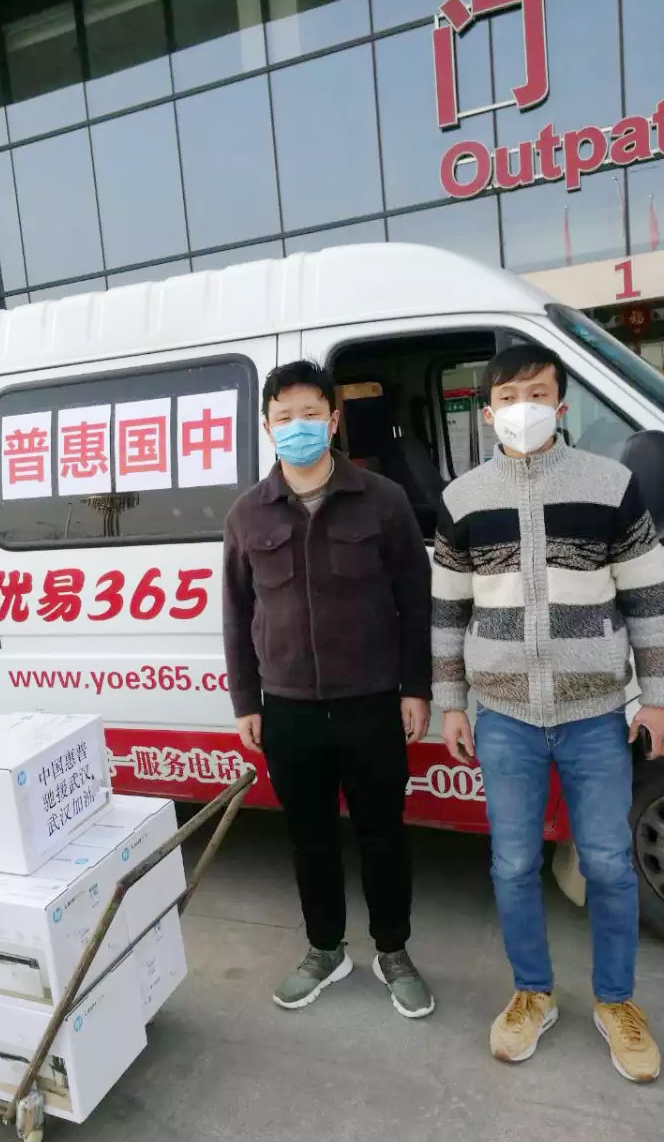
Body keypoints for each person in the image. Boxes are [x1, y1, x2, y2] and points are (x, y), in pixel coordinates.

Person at [432, 343, 664, 1082]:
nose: (522, 408)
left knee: (609, 863)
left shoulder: (611, 485)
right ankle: (532, 992)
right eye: (508, 396)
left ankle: (616, 1001)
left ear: (561, 405)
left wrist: (658, 697)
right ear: (488, 410)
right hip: (503, 716)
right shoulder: (463, 498)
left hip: (595, 714)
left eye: (537, 394)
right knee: (512, 863)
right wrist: (451, 703)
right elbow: (447, 611)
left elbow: (648, 600)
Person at [222, 359, 434, 1017]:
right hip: (288, 708)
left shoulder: (382, 500)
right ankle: (325, 949)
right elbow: (236, 611)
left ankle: (393, 950)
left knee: (382, 834)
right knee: (308, 836)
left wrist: (416, 687)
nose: (298, 426)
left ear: (333, 420)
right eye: (284, 417)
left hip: (371, 701)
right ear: (267, 427)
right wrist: (246, 700)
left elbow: (415, 600)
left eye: (311, 414)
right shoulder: (248, 514)